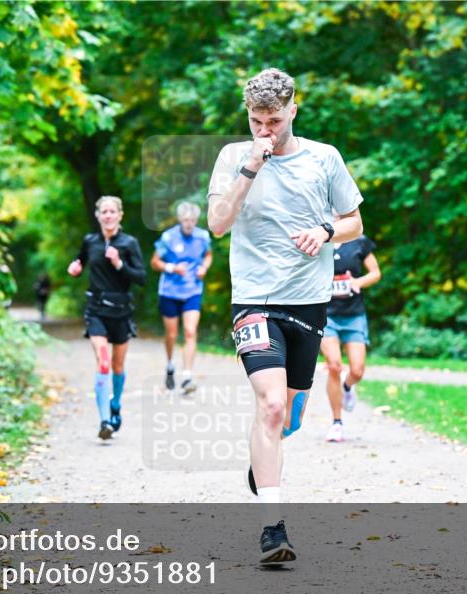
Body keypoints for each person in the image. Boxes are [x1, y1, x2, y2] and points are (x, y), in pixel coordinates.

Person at [207, 68, 363, 565]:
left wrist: (324, 231)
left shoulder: (325, 158)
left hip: (309, 300)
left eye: (274, 120)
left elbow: (355, 222)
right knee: (271, 405)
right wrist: (251, 166)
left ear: (294, 109)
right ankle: (273, 528)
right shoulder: (234, 157)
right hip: (253, 298)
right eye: (256, 121)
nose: (265, 131)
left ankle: (263, 460)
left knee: (289, 412)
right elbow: (216, 225)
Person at [67, 196, 146, 440]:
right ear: (98, 215)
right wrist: (76, 267)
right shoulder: (90, 241)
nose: (108, 215)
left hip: (121, 311)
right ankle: (104, 421)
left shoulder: (129, 243)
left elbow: (141, 277)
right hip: (96, 310)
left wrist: (119, 263)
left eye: (113, 211)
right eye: (104, 211)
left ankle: (115, 405)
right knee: (103, 362)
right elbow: (80, 259)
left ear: (120, 215)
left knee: (118, 366)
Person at [322, 236, 381, 442]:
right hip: (325, 314)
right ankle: (337, 423)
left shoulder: (359, 242)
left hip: (353, 315)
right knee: (334, 366)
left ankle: (347, 386)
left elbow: (375, 273)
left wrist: (357, 282)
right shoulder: (318, 239)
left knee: (357, 370)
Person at [150, 201, 213, 394]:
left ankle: (187, 376)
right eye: (186, 220)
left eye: (192, 220)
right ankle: (170, 365)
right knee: (171, 334)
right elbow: (154, 262)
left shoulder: (202, 236)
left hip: (192, 290)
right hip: (169, 291)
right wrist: (172, 268)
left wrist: (204, 267)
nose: (189, 223)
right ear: (180, 220)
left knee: (190, 331)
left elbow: (208, 255)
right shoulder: (168, 237)